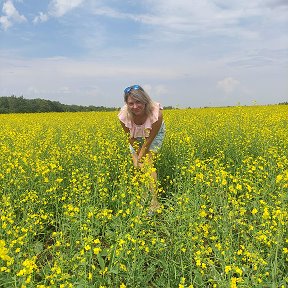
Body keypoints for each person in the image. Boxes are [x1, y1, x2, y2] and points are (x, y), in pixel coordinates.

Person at [118, 84, 165, 214]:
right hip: (134, 136)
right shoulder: (123, 116)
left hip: (152, 136)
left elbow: (150, 140)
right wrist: (138, 155)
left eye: (138, 102)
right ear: (126, 104)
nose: (135, 106)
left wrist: (143, 153)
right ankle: (143, 196)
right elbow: (129, 137)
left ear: (145, 100)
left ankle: (154, 202)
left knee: (148, 164)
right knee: (137, 165)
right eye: (131, 103)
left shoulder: (156, 114)